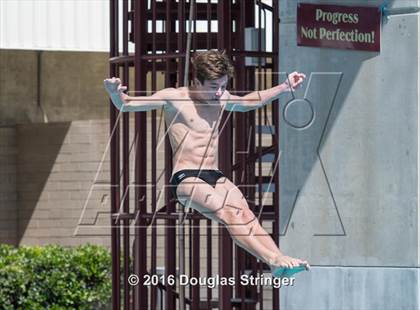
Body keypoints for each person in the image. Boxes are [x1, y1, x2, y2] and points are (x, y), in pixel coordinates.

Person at [104, 50, 309, 278]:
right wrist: (115, 94)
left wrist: (284, 87)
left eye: (223, 86)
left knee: (245, 214)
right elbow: (128, 104)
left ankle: (277, 263)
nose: (219, 92)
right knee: (227, 213)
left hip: (214, 174)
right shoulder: (175, 97)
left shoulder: (221, 98)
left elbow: (248, 101)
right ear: (197, 80)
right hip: (187, 177)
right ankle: (272, 259)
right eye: (213, 87)